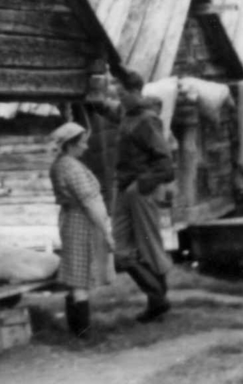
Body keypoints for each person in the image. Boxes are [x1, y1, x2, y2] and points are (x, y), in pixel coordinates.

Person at [109, 70, 176, 323]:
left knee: (149, 246)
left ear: (135, 91)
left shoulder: (147, 120)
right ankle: (158, 296)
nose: (119, 96)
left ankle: (157, 302)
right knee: (122, 252)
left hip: (140, 190)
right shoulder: (127, 115)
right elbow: (107, 109)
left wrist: (141, 185)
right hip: (123, 188)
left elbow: (166, 164)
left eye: (122, 92)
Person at [48, 122, 114, 337]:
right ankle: (82, 331)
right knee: (80, 276)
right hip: (80, 221)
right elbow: (88, 202)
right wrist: (105, 231)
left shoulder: (65, 163)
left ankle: (77, 328)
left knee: (78, 274)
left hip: (75, 219)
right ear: (70, 145)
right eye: (82, 143)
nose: (86, 147)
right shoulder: (70, 167)